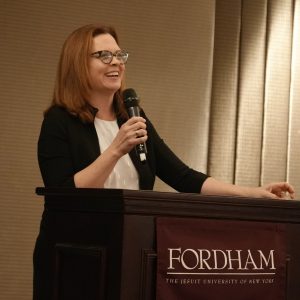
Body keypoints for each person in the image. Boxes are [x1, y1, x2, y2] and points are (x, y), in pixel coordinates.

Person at [34, 23, 295, 299]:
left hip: (131, 252)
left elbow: (183, 177)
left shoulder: (132, 116)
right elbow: (63, 192)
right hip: (76, 255)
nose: (116, 63)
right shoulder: (59, 121)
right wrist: (115, 149)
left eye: (120, 55)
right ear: (77, 63)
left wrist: (254, 193)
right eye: (104, 55)